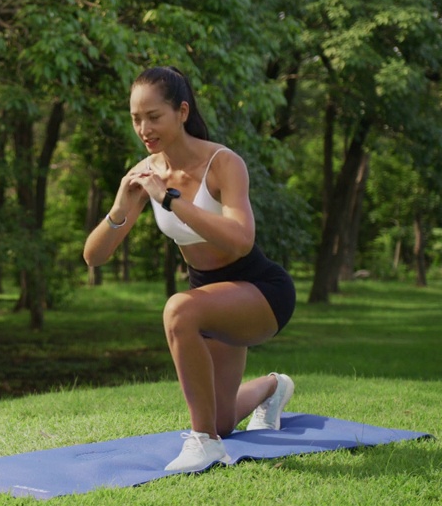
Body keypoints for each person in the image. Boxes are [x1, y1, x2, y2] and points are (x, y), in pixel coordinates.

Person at [82, 66, 297, 472]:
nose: (144, 128)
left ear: (182, 112)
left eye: (154, 116)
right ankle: (273, 387)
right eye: (135, 118)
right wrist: (118, 208)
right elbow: (94, 257)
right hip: (210, 300)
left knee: (178, 310)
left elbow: (240, 239)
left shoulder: (223, 163)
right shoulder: (145, 173)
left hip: (260, 292)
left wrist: (170, 200)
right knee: (222, 419)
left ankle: (205, 445)